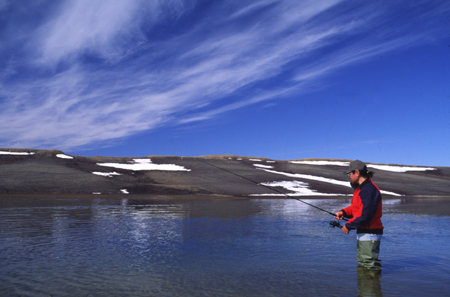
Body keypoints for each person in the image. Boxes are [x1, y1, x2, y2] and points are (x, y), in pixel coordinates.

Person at [335, 160, 383, 270]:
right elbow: (356, 209)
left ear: (357, 172)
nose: (349, 177)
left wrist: (348, 225)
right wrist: (344, 212)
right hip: (364, 233)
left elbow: (366, 215)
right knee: (363, 265)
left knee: (369, 266)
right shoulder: (360, 189)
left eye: (350, 174)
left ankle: (371, 287)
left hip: (370, 233)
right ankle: (365, 287)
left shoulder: (368, 189)